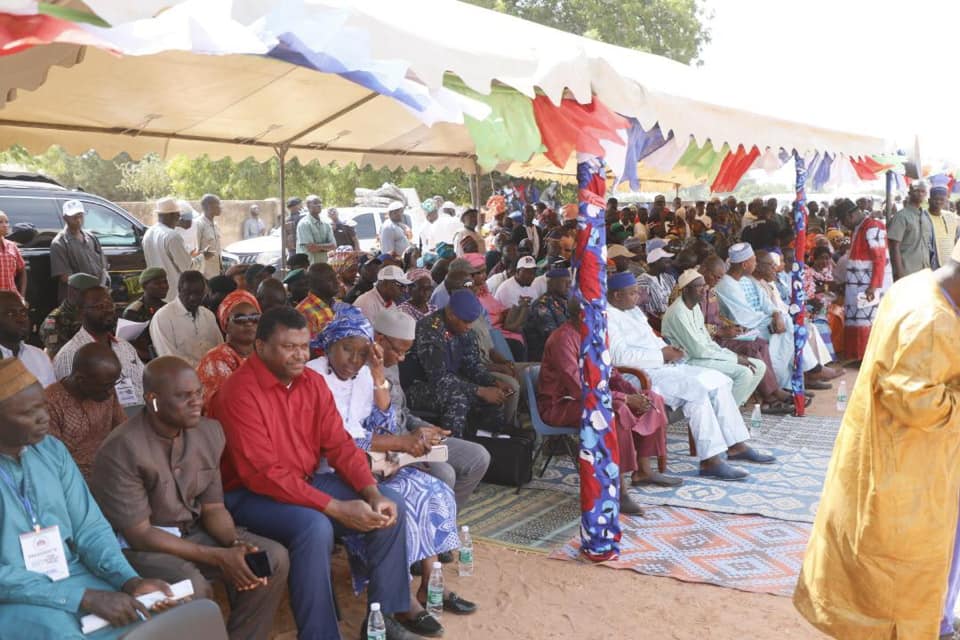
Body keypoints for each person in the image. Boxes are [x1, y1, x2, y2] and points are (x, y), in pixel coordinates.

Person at [208, 307, 414, 640]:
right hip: (246, 495)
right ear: (260, 347)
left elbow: (341, 446)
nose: (300, 354)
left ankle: (383, 620)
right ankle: (320, 635)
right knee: (313, 526)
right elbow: (261, 474)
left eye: (304, 346)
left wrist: (370, 492)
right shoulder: (239, 392)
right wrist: (334, 507)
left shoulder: (312, 383)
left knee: (391, 504)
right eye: (289, 346)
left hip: (301, 482)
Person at [793, 241, 960, 640]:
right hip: (912, 460)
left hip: (906, 450)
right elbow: (917, 403)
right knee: (906, 561)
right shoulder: (933, 320)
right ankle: (919, 625)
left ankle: (937, 617)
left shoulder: (914, 284)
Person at [91, 357, 289, 640]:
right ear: (153, 400)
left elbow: (214, 507)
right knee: (192, 587)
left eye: (197, 393)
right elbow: (140, 534)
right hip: (142, 548)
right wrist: (219, 556)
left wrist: (233, 544)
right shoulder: (121, 449)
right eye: (184, 396)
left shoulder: (209, 432)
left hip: (193, 533)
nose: (196, 402)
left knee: (271, 558)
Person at [308, 309, 475, 634]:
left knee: (433, 490)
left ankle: (429, 584)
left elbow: (382, 421)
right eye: (347, 349)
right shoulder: (314, 376)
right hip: (329, 468)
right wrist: (399, 443)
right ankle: (400, 605)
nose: (353, 360)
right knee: (401, 500)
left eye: (361, 352)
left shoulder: (361, 374)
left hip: (368, 460)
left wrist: (375, 371)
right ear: (330, 343)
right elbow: (337, 440)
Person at [0, 357, 185, 639]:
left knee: (149, 620)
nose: (44, 418)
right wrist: (83, 598)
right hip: (13, 595)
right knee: (63, 634)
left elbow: (90, 527)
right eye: (29, 412)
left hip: (70, 575)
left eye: (42, 406)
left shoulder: (52, 451)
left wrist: (129, 580)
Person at [605, 271, 775, 481]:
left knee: (719, 381)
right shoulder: (608, 317)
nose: (638, 296)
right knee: (698, 391)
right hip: (639, 375)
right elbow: (619, 357)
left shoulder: (634, 312)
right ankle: (710, 460)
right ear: (616, 296)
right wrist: (660, 355)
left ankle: (736, 445)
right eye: (632, 293)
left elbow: (652, 340)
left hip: (663, 368)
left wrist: (668, 349)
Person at [539, 299, 680, 510]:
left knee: (653, 398)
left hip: (596, 397)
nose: (604, 318)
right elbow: (579, 389)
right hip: (562, 405)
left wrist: (634, 394)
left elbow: (611, 373)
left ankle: (643, 471)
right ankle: (618, 489)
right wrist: (623, 399)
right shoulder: (562, 340)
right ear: (581, 316)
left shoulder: (595, 334)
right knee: (613, 412)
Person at [374, 309, 490, 510]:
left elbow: (404, 412)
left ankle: (444, 521)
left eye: (405, 352)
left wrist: (429, 428)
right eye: (398, 351)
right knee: (444, 473)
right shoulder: (361, 371)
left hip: (411, 435)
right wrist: (407, 440)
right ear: (380, 339)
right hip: (388, 448)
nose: (402, 358)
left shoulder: (390, 362)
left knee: (478, 456)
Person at [715, 243, 831, 391]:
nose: (755, 264)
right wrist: (773, 320)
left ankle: (801, 375)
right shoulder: (727, 285)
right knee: (788, 328)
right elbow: (744, 317)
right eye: (754, 261)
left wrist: (776, 314)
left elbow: (766, 304)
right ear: (745, 264)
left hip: (761, 323)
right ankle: (795, 378)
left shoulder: (747, 280)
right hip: (746, 329)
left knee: (790, 325)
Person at [406, 290, 509, 437]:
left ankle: (487, 440)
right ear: (451, 315)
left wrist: (492, 381)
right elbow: (439, 378)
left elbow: (471, 364)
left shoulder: (464, 329)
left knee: (494, 395)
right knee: (458, 398)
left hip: (451, 382)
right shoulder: (430, 329)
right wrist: (479, 390)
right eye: (466, 322)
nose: (469, 326)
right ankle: (455, 448)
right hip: (419, 387)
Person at [697, 256, 794, 413]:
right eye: (715, 277)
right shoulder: (693, 291)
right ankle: (771, 396)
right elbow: (695, 327)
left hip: (718, 335)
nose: (717, 280)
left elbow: (718, 317)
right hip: (706, 342)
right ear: (704, 271)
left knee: (760, 343)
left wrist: (732, 326)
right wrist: (720, 331)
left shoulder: (712, 290)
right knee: (751, 348)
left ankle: (773, 393)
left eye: (720, 277)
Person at [661, 270, 766, 407]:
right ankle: (725, 416)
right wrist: (735, 359)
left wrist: (732, 355)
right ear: (686, 290)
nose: (704, 290)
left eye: (704, 285)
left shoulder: (694, 307)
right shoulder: (678, 312)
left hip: (703, 356)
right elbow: (697, 351)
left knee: (759, 366)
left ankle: (731, 409)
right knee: (744, 373)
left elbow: (707, 342)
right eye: (699, 286)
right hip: (688, 361)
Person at [53, 285, 144, 408]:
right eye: (100, 306)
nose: (108, 310)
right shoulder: (70, 353)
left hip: (141, 413)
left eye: (110, 305)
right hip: (105, 422)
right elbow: (72, 404)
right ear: (81, 313)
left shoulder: (124, 346)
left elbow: (144, 381)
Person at [44, 342, 126, 478]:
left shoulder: (105, 392)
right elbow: (53, 461)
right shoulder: (49, 404)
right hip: (72, 481)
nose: (111, 392)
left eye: (114, 383)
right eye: (106, 386)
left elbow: (123, 431)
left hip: (111, 470)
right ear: (81, 380)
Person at [837, 198, 892, 361]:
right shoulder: (860, 228)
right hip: (859, 286)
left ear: (849, 216)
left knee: (869, 322)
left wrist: (873, 287)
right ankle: (860, 357)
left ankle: (869, 359)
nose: (845, 226)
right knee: (860, 321)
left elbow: (880, 259)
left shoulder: (873, 227)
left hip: (869, 287)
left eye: (843, 222)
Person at [197, 292, 260, 412]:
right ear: (225, 325)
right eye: (240, 319)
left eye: (255, 317)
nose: (249, 323)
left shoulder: (265, 354)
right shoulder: (215, 359)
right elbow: (226, 406)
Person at [150, 271, 223, 368]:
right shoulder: (163, 317)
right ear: (179, 290)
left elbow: (220, 348)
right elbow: (169, 359)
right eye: (188, 293)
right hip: (183, 377)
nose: (193, 298)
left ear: (205, 293)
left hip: (213, 372)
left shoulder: (208, 315)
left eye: (198, 293)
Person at [142, 198, 202, 302]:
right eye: (178, 214)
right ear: (171, 215)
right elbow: (187, 268)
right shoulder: (172, 236)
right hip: (173, 294)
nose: (179, 217)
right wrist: (202, 257)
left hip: (156, 293)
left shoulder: (149, 233)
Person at [50, 199, 108, 300]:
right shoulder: (59, 243)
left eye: (80, 216)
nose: (78, 220)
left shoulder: (91, 237)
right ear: (65, 218)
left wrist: (102, 285)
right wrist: (90, 288)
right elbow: (65, 277)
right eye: (74, 217)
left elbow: (103, 266)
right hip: (77, 298)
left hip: (98, 294)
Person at [0, 291, 55, 387]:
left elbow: (52, 397)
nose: (21, 319)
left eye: (23, 312)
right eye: (10, 314)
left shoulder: (40, 356)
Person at [40, 272, 100, 358]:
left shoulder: (94, 312)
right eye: (91, 293)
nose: (96, 297)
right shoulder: (55, 320)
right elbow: (56, 352)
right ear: (73, 292)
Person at [888, 180, 933, 280]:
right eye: (917, 191)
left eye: (923, 191)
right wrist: (900, 274)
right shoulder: (901, 216)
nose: (920, 194)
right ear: (910, 193)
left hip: (924, 272)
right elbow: (894, 247)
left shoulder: (925, 217)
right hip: (907, 273)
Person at [524, 266, 571, 361]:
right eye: (564, 282)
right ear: (551, 284)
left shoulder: (565, 302)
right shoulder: (542, 305)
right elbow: (553, 337)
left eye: (569, 282)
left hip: (564, 351)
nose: (568, 286)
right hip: (546, 356)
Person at [122, 267, 169, 363]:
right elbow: (125, 345)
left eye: (165, 282)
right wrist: (152, 357)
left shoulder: (167, 308)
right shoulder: (134, 312)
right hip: (144, 363)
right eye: (157, 283)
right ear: (144, 286)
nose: (164, 286)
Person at [296, 262, 341, 341]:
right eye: (330, 279)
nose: (337, 282)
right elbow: (308, 348)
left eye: (336, 277)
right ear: (314, 284)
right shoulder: (304, 312)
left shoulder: (338, 304)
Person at [636, 247, 676, 320]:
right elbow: (641, 308)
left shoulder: (668, 278)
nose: (670, 264)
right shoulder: (642, 282)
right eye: (666, 262)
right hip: (653, 321)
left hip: (670, 317)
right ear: (656, 262)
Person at [296, 195, 336, 264]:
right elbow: (311, 248)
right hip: (308, 266)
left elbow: (333, 246)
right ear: (308, 206)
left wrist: (318, 247)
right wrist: (326, 247)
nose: (319, 205)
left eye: (320, 203)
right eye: (315, 203)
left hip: (323, 264)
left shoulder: (326, 223)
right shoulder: (304, 224)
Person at [928, 185, 958, 268]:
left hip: (949, 262)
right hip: (930, 263)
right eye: (935, 199)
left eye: (942, 199)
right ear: (929, 200)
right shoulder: (923, 216)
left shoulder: (951, 217)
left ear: (946, 201)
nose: (938, 202)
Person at [0, 209, 27, 299]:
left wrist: (21, 296)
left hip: (11, 300)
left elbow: (22, 271)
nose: (5, 225)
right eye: (0, 222)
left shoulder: (12, 246)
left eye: (7, 222)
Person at [195, 194, 223, 279]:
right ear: (208, 206)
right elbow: (194, 252)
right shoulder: (198, 224)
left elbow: (218, 250)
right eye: (218, 204)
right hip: (204, 275)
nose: (220, 207)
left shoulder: (215, 225)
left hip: (216, 273)